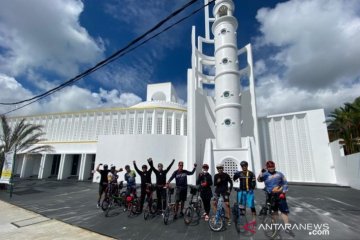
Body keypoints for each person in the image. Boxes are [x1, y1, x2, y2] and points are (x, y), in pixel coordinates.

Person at [257, 160, 294, 236]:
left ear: (275, 166)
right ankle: (275, 227)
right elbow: (259, 180)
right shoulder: (265, 174)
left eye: (273, 167)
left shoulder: (279, 174)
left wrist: (283, 192)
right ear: (267, 168)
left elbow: (285, 183)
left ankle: (287, 227)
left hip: (280, 195)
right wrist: (261, 173)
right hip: (271, 196)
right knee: (274, 211)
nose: (272, 169)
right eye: (270, 168)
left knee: (284, 210)